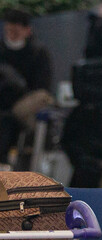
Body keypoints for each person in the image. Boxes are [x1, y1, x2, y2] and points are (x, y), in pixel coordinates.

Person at [0, 8, 52, 157]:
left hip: (27, 100)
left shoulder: (38, 52)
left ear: (27, 31)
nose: (12, 35)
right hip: (4, 100)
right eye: (9, 31)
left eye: (16, 32)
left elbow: (42, 86)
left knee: (36, 102)